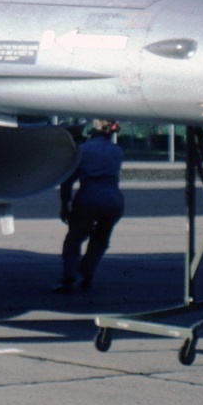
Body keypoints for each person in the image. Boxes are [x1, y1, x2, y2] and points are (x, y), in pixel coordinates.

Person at [53, 119, 126, 293]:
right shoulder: (117, 151)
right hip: (113, 199)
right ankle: (87, 274)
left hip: (89, 196)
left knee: (74, 240)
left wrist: (65, 203)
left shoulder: (84, 150)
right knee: (100, 240)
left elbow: (69, 179)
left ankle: (69, 278)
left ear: (93, 131)